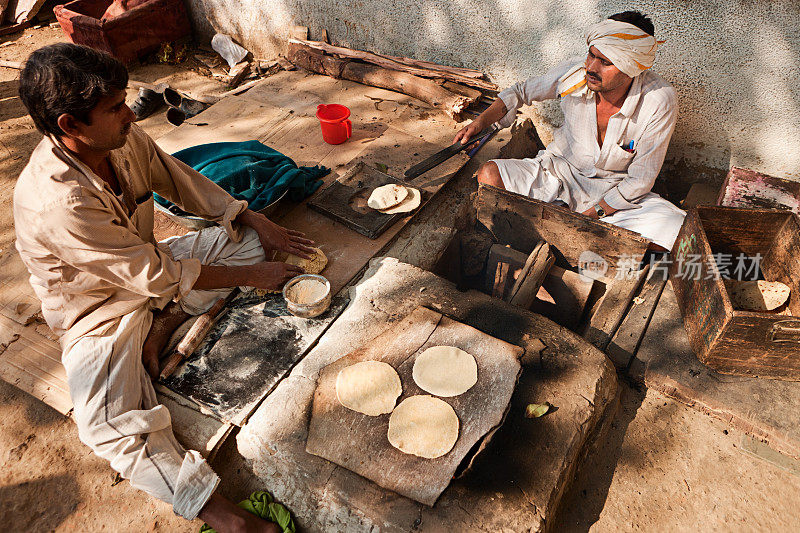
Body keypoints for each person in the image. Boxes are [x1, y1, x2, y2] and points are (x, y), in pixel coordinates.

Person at [14, 43, 309, 532]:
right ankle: (224, 516)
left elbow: (179, 180)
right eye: (114, 108)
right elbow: (154, 274)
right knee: (106, 428)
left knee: (251, 246)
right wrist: (248, 279)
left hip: (153, 272)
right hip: (102, 311)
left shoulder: (118, 138)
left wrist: (247, 215)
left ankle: (168, 321)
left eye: (124, 100)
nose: (130, 114)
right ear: (70, 125)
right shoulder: (56, 203)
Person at [456, 11, 685, 251]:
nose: (591, 67)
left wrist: (589, 216)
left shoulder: (658, 100)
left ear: (633, 66)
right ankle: (551, 241)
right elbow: (520, 92)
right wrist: (480, 123)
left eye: (605, 62)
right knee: (490, 175)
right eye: (591, 55)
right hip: (556, 173)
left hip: (613, 194)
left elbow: (640, 179)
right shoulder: (575, 76)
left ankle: (561, 240)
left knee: (676, 232)